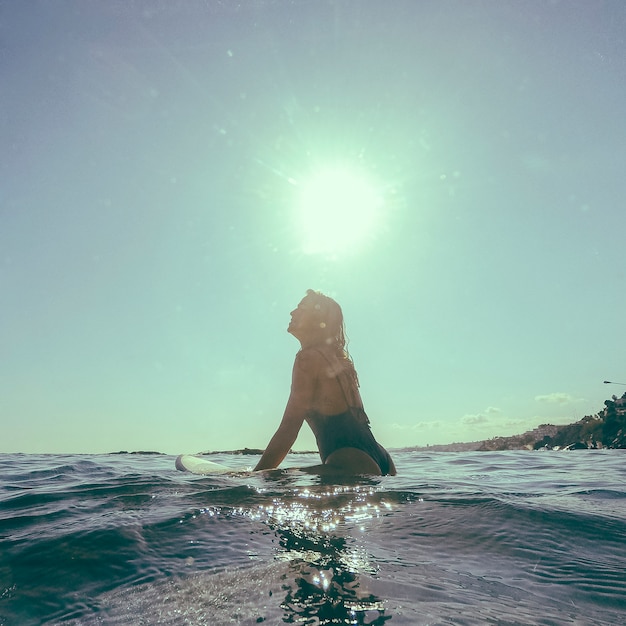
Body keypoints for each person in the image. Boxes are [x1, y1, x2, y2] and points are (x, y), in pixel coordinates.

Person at [254, 290, 396, 476]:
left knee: (270, 480)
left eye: (301, 308)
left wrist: (256, 475)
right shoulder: (339, 360)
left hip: (348, 459)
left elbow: (289, 427)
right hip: (380, 457)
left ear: (316, 319)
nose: (292, 313)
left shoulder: (307, 358)